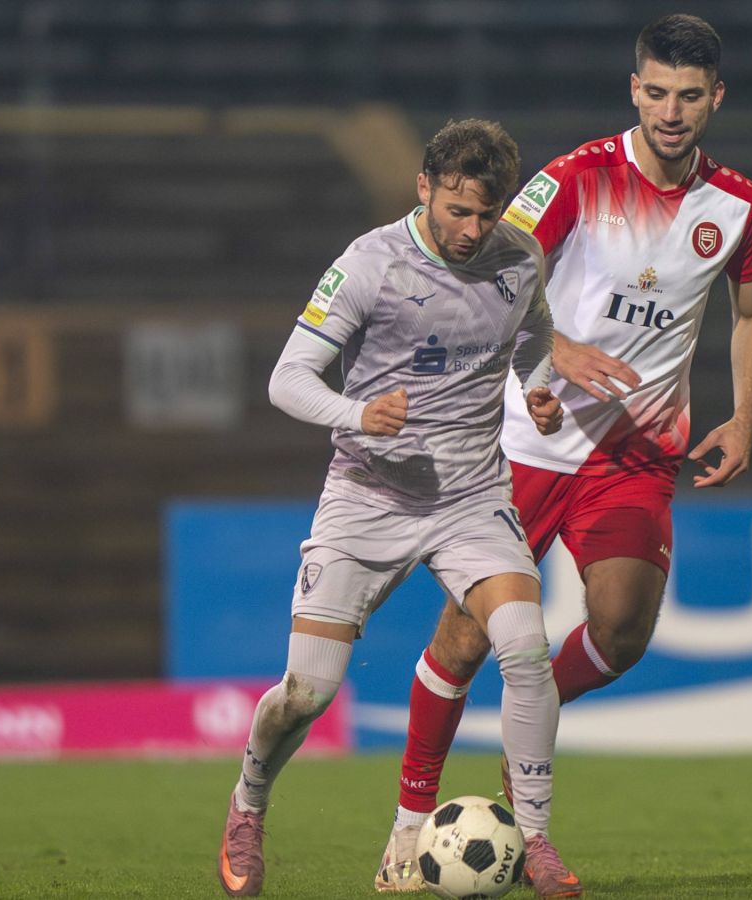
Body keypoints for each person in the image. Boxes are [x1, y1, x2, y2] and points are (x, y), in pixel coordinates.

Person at [376, 13, 752, 898]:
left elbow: (751, 314)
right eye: (657, 92)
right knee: (467, 633)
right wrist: (555, 352)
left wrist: (745, 417)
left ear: (715, 100)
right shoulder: (574, 179)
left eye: (690, 96)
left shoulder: (738, 205)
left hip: (635, 452)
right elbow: (483, 280)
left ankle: (526, 756)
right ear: (636, 89)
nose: (672, 111)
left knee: (624, 625)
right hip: (529, 436)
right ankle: (408, 827)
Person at [217, 118, 579, 898]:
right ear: (425, 188)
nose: (472, 230)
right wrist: (357, 414)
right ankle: (248, 803)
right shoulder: (369, 264)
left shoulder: (519, 257)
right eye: (456, 210)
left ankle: (540, 838)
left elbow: (536, 338)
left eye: (486, 213)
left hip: (471, 497)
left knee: (523, 641)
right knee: (306, 694)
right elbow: (288, 378)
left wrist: (540, 390)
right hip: (368, 496)